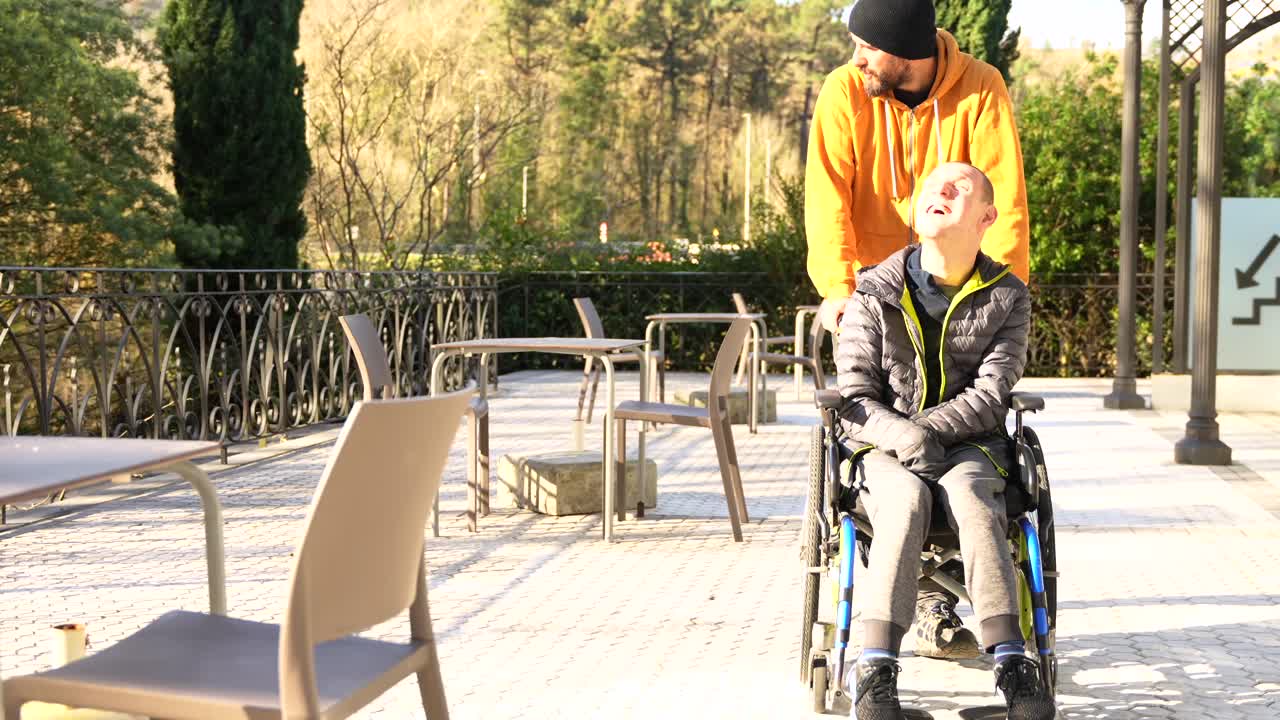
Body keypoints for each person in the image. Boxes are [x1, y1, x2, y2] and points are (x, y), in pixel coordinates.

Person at [806, 0, 1030, 659]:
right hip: (875, 301)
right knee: (881, 431)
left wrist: (1001, 296)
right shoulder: (846, 91)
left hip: (958, 292)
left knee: (965, 442)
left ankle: (965, 597)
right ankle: (917, 600)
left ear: (905, 52)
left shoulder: (981, 87)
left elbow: (1006, 203)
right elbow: (829, 199)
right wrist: (840, 290)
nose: (858, 59)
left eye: (869, 48)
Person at [834, 163, 1053, 720]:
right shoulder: (873, 292)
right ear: (915, 209)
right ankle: (876, 672)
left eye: (959, 188)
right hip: (881, 445)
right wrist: (903, 435)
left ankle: (1011, 661)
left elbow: (992, 393)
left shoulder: (1008, 297)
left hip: (969, 446)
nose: (941, 191)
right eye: (933, 186)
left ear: (985, 217)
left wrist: (926, 432)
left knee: (977, 501)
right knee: (904, 501)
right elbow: (855, 395)